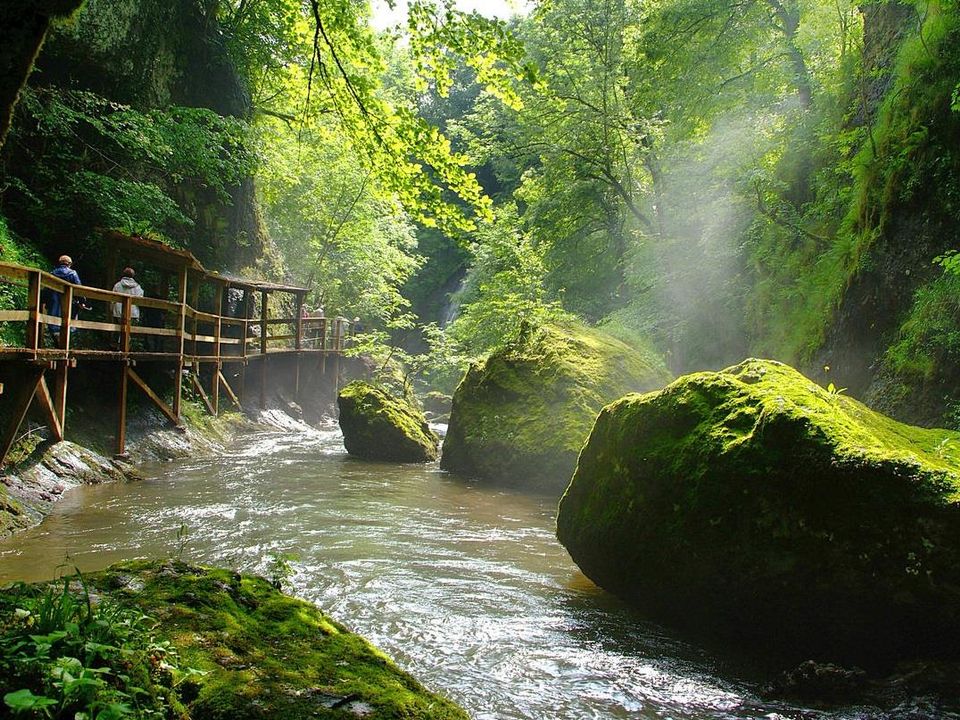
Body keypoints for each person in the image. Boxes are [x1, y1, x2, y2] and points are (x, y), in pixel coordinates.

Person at [43, 255, 82, 341]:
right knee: (68, 326)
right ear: (69, 264)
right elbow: (79, 290)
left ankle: (57, 340)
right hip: (68, 307)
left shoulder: (52, 274)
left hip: (53, 306)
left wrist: (44, 301)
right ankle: (64, 344)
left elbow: (46, 290)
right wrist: (82, 301)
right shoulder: (72, 274)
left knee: (54, 328)